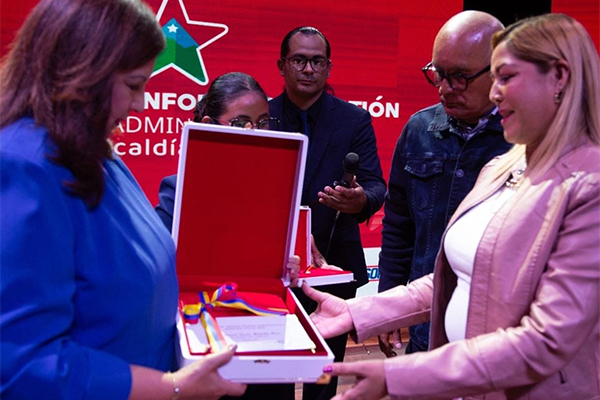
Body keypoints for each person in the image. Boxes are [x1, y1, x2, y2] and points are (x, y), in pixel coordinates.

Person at [302, 13, 600, 400]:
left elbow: (546, 340)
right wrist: (365, 311)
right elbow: (460, 274)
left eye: (506, 77)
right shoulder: (503, 166)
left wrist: (401, 376)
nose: (495, 94)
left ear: (559, 77)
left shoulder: (589, 186)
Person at [0, 1, 247, 399]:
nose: (141, 104)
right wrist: (172, 387)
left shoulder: (96, 152)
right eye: (133, 85)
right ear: (82, 71)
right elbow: (22, 364)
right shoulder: (23, 167)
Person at [155, 71, 301, 400]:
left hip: (265, 342)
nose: (255, 132)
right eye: (240, 122)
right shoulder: (177, 191)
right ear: (210, 124)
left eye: (263, 122)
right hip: (206, 343)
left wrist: (285, 269)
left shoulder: (279, 190)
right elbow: (162, 270)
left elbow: (271, 273)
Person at [377, 10, 512, 356]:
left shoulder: (526, 141)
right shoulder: (418, 130)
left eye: (460, 77)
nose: (444, 88)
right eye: (438, 73)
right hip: (426, 329)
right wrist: (388, 305)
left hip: (499, 339)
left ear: (499, 70)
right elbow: (399, 227)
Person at [269, 26, 387, 400]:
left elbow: (376, 185)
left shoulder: (354, 120)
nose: (308, 69)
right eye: (299, 60)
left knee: (323, 375)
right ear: (282, 65)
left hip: (333, 266)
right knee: (273, 373)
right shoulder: (263, 115)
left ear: (329, 67)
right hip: (272, 268)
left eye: (317, 61)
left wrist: (359, 200)